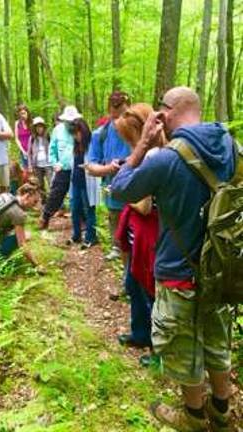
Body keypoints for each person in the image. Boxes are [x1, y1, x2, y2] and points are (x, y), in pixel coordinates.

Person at [111, 87, 234, 432]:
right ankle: (222, 411)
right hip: (222, 270)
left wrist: (144, 141)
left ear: (167, 111)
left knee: (183, 350)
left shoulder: (167, 158)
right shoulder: (231, 147)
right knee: (217, 342)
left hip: (179, 273)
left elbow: (120, 188)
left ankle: (193, 417)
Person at [114, 104, 161, 349]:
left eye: (129, 137)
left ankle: (156, 345)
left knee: (149, 290)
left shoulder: (153, 157)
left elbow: (143, 205)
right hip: (137, 236)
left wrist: (125, 195)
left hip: (149, 236)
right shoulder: (142, 156)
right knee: (134, 284)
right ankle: (140, 333)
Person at [87, 91, 131, 260]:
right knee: (121, 244)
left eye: (124, 116)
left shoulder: (140, 129)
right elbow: (91, 166)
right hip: (115, 195)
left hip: (141, 197)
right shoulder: (100, 134)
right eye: (115, 117)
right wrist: (109, 168)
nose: (120, 121)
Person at [39, 105, 82, 229]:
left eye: (73, 120)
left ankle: (81, 220)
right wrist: (54, 163)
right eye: (68, 121)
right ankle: (45, 217)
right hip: (62, 168)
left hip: (78, 168)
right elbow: (52, 150)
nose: (70, 123)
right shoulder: (57, 130)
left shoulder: (80, 129)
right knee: (56, 194)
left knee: (80, 195)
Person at [67, 119, 100, 248]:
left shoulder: (92, 144)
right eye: (74, 134)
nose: (75, 136)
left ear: (83, 131)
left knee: (89, 209)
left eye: (77, 133)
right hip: (76, 181)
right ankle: (76, 235)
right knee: (75, 209)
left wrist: (90, 166)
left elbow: (98, 161)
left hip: (88, 182)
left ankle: (91, 237)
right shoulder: (75, 146)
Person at [28, 116, 53, 206]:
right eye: (37, 127)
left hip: (48, 163)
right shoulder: (32, 138)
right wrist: (30, 166)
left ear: (44, 127)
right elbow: (29, 153)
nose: (39, 129)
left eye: (41, 126)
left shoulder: (48, 136)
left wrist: (54, 161)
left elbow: (53, 149)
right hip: (37, 165)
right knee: (40, 184)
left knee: (51, 183)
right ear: (35, 128)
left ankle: (54, 202)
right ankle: (44, 201)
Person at [15, 104, 32, 180]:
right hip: (23, 151)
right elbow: (17, 138)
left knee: (34, 171)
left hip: (32, 150)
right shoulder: (17, 123)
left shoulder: (32, 123)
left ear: (27, 113)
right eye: (21, 114)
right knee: (26, 171)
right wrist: (22, 150)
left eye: (24, 113)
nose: (23, 115)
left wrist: (30, 149)